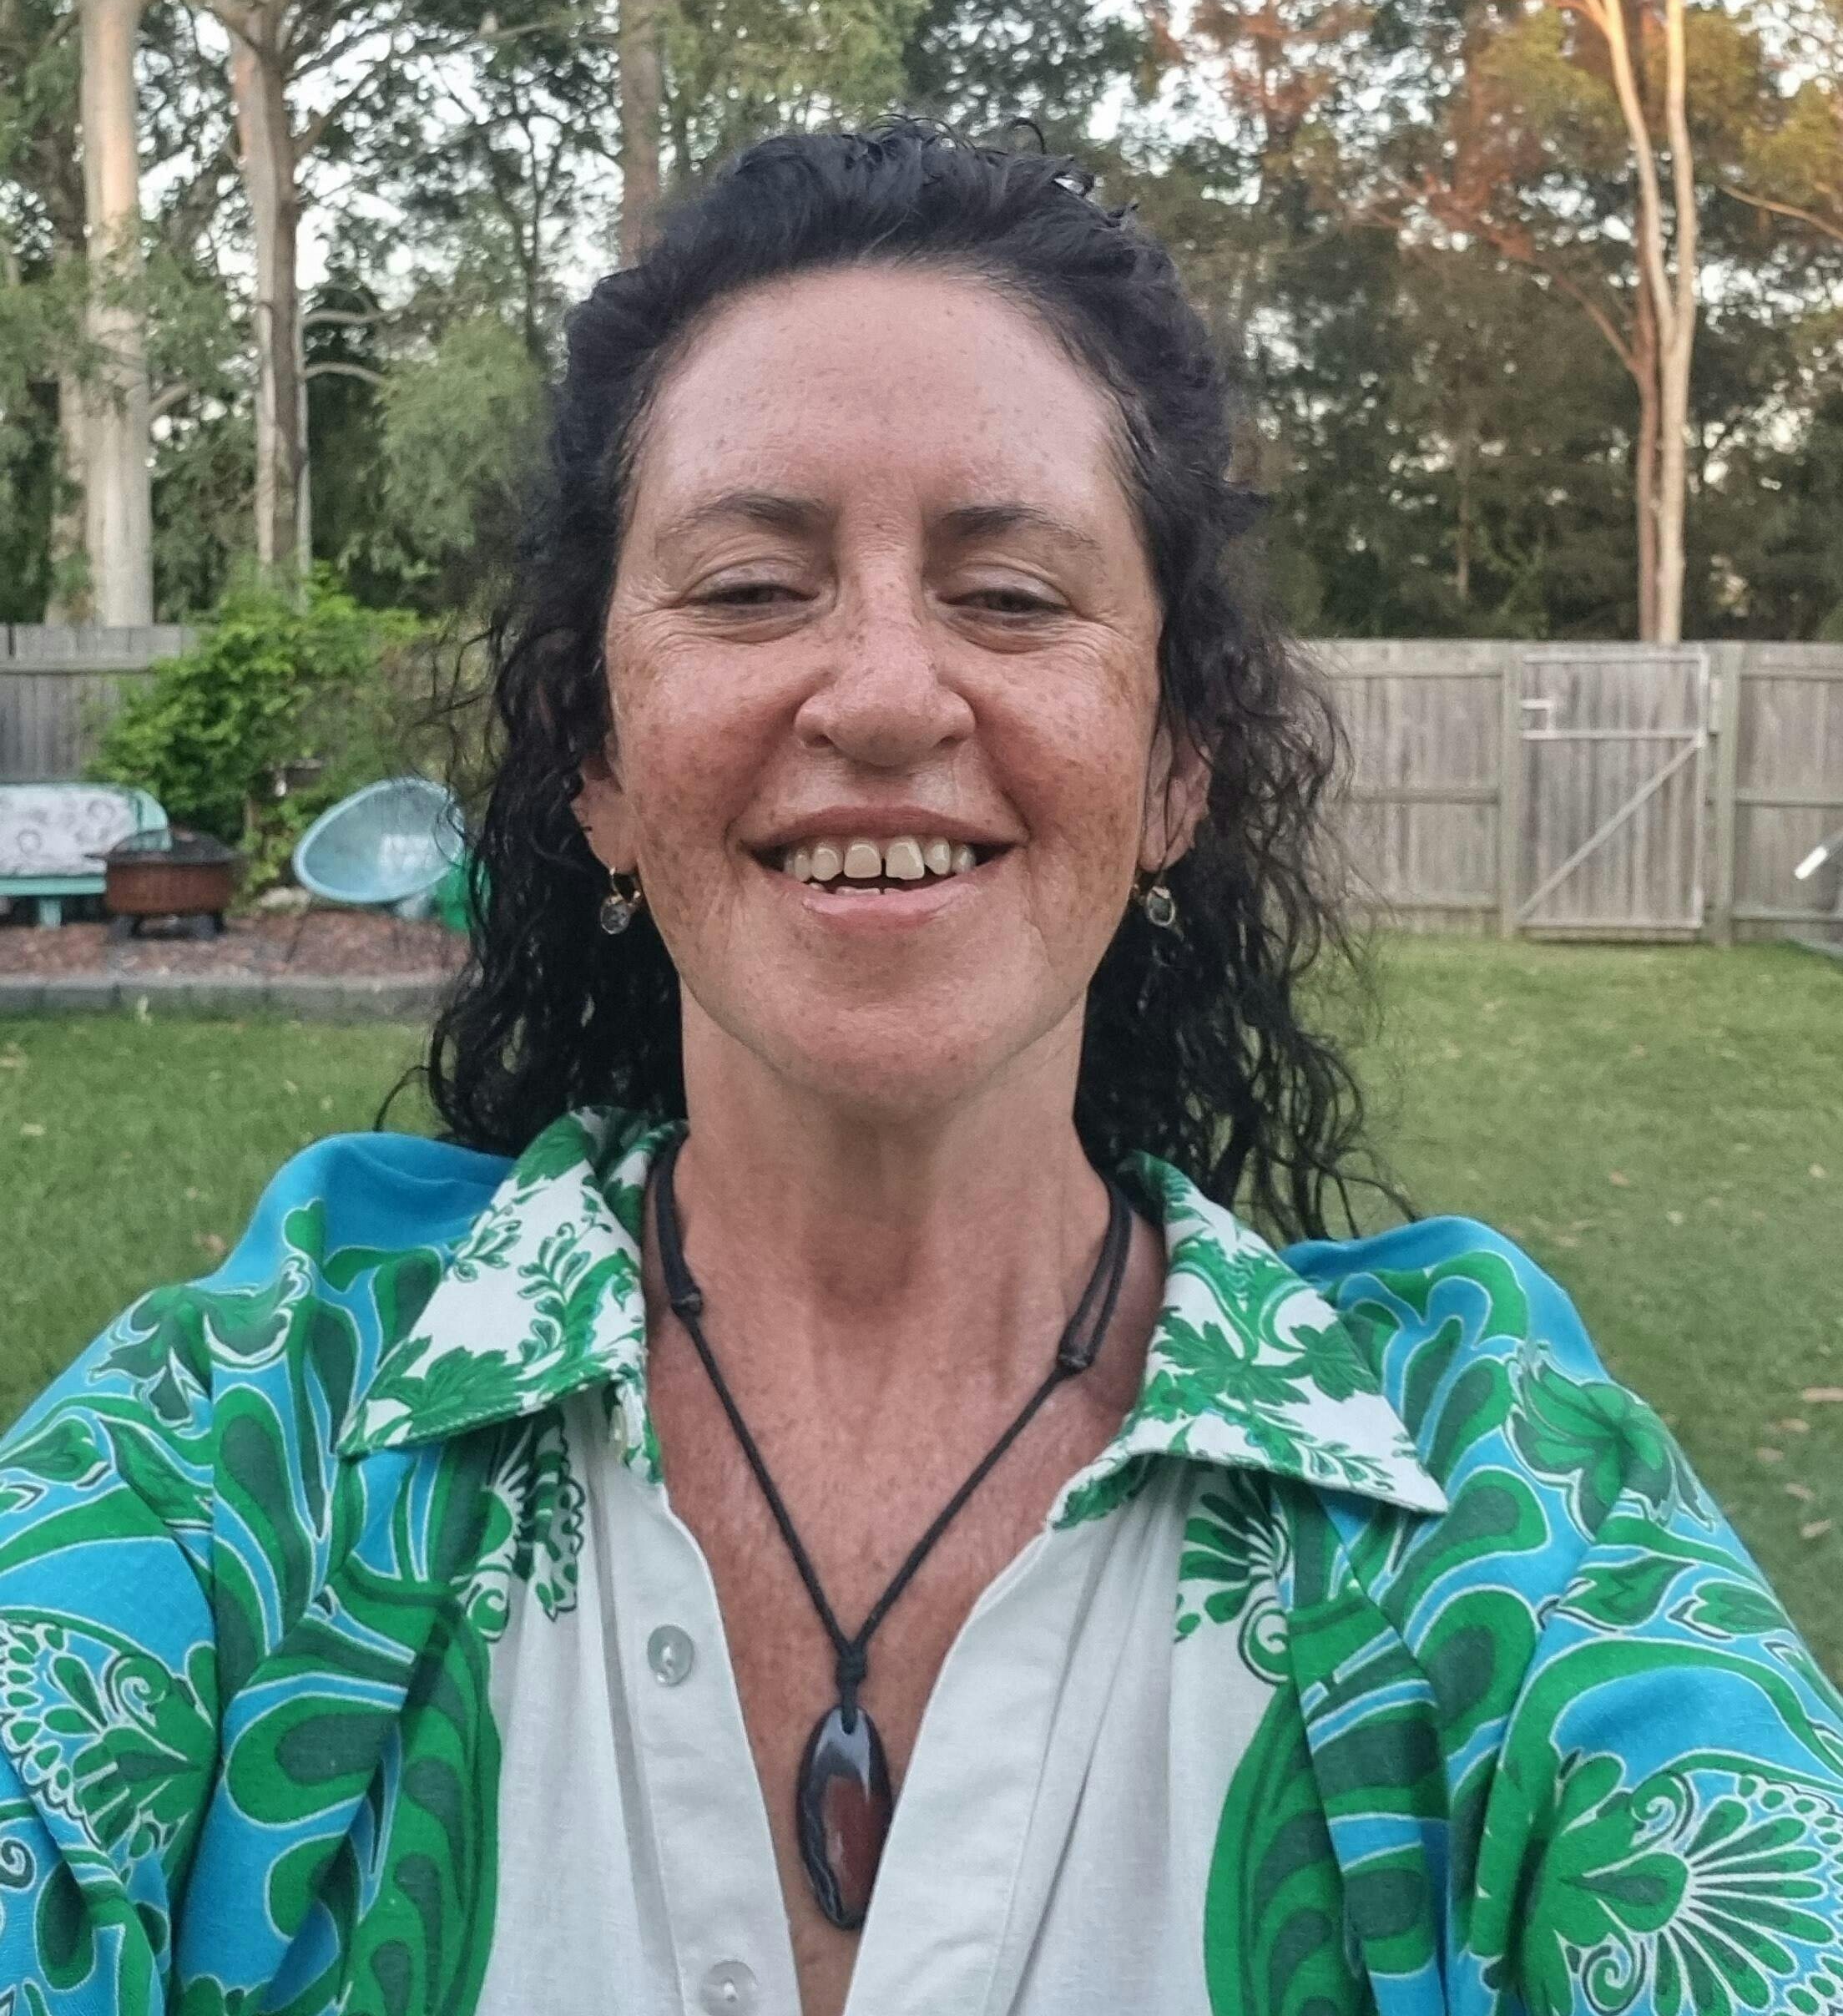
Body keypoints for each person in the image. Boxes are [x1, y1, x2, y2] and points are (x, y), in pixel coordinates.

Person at [0, 122, 1838, 2016]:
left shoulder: (1503, 1507)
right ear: (600, 766)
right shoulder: (242, 1443)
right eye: (747, 586)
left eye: (1015, 595)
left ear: (1176, 768)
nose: (883, 695)